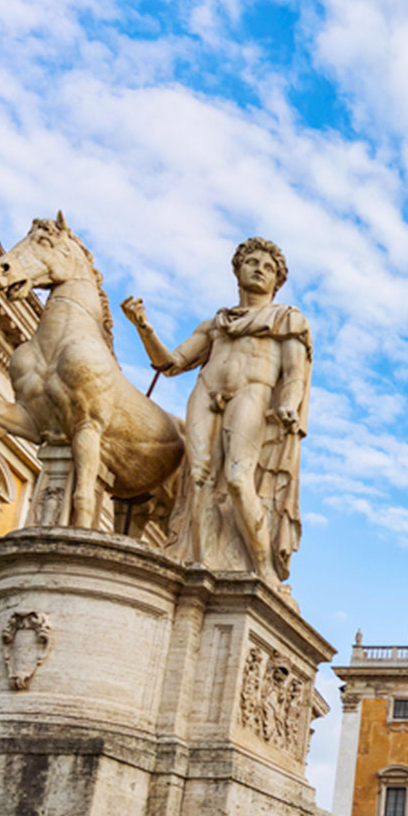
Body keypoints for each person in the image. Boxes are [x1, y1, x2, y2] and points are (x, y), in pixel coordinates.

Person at [122, 238, 312, 580]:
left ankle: (262, 567)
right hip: (206, 393)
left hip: (252, 393)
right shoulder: (215, 324)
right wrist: (144, 327)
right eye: (252, 262)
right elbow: (171, 364)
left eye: (268, 267)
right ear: (237, 270)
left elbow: (295, 373)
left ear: (277, 280)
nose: (259, 269)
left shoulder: (286, 320)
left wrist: (287, 405)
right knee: (197, 479)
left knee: (239, 480)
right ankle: (199, 564)